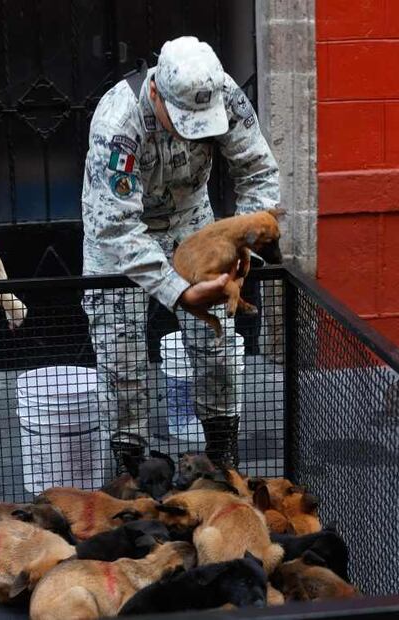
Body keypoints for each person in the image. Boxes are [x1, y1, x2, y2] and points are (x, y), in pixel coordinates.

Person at [81, 36, 280, 468]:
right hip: (118, 234)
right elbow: (115, 225)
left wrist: (243, 252)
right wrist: (176, 292)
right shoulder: (118, 122)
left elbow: (258, 172)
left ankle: (221, 453)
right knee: (122, 359)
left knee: (220, 346)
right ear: (156, 92)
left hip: (194, 222)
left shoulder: (225, 95)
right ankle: (129, 466)